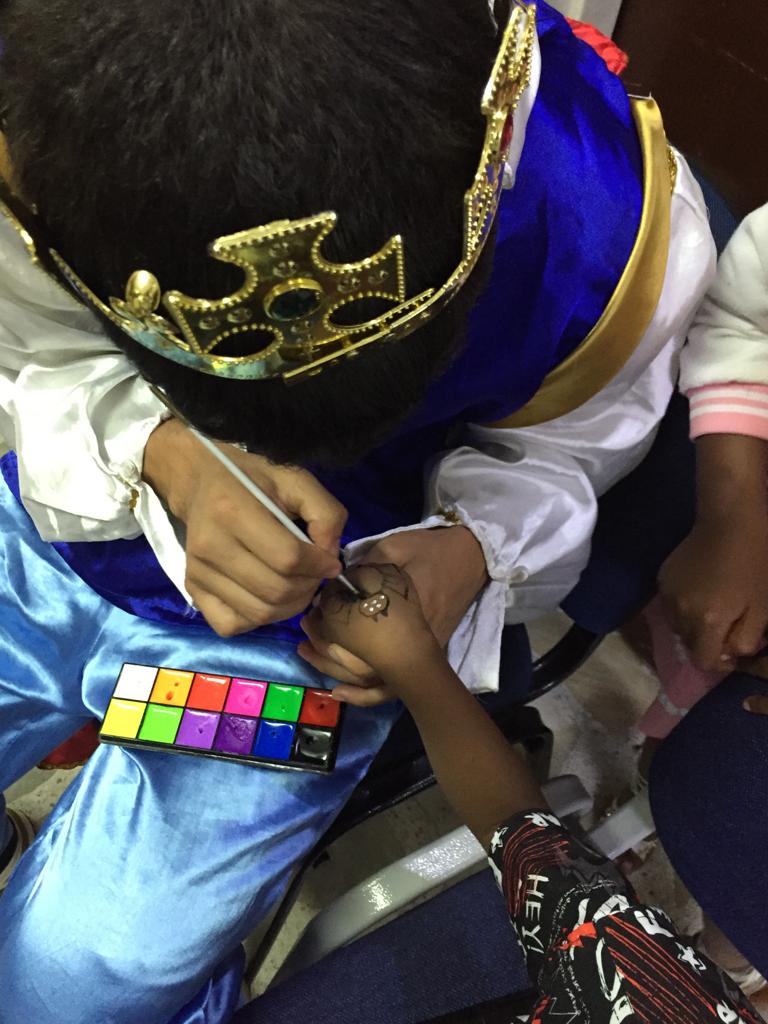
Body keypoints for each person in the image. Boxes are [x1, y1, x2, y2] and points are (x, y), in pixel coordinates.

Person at [0, 1, 715, 1022]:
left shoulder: (603, 222)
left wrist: (472, 548)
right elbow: (27, 348)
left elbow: (567, 448)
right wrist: (159, 446)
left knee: (77, 985)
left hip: (289, 659)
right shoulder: (33, 120)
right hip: (47, 538)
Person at [299, 564, 767, 1023]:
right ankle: (729, 965)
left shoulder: (630, 991)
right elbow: (533, 847)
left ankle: (729, 966)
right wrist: (411, 656)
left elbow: (528, 839)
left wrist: (411, 658)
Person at [642, 204, 768, 994]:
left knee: (736, 852)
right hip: (745, 557)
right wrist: (733, 512)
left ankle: (724, 958)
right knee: (685, 730)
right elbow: (744, 318)